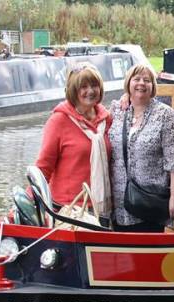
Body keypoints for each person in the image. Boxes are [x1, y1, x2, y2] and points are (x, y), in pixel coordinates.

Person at [109, 63, 174, 232]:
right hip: (117, 202)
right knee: (121, 255)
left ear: (153, 86)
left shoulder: (165, 114)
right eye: (136, 79)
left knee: (148, 255)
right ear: (128, 83)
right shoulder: (117, 110)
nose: (141, 83)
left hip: (149, 202)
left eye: (147, 80)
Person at [36, 62, 112, 216]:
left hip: (103, 208)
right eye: (83, 87)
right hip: (69, 210)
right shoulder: (58, 121)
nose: (90, 91)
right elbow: (43, 168)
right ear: (73, 90)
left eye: (94, 85)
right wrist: (31, 201)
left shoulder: (107, 120)